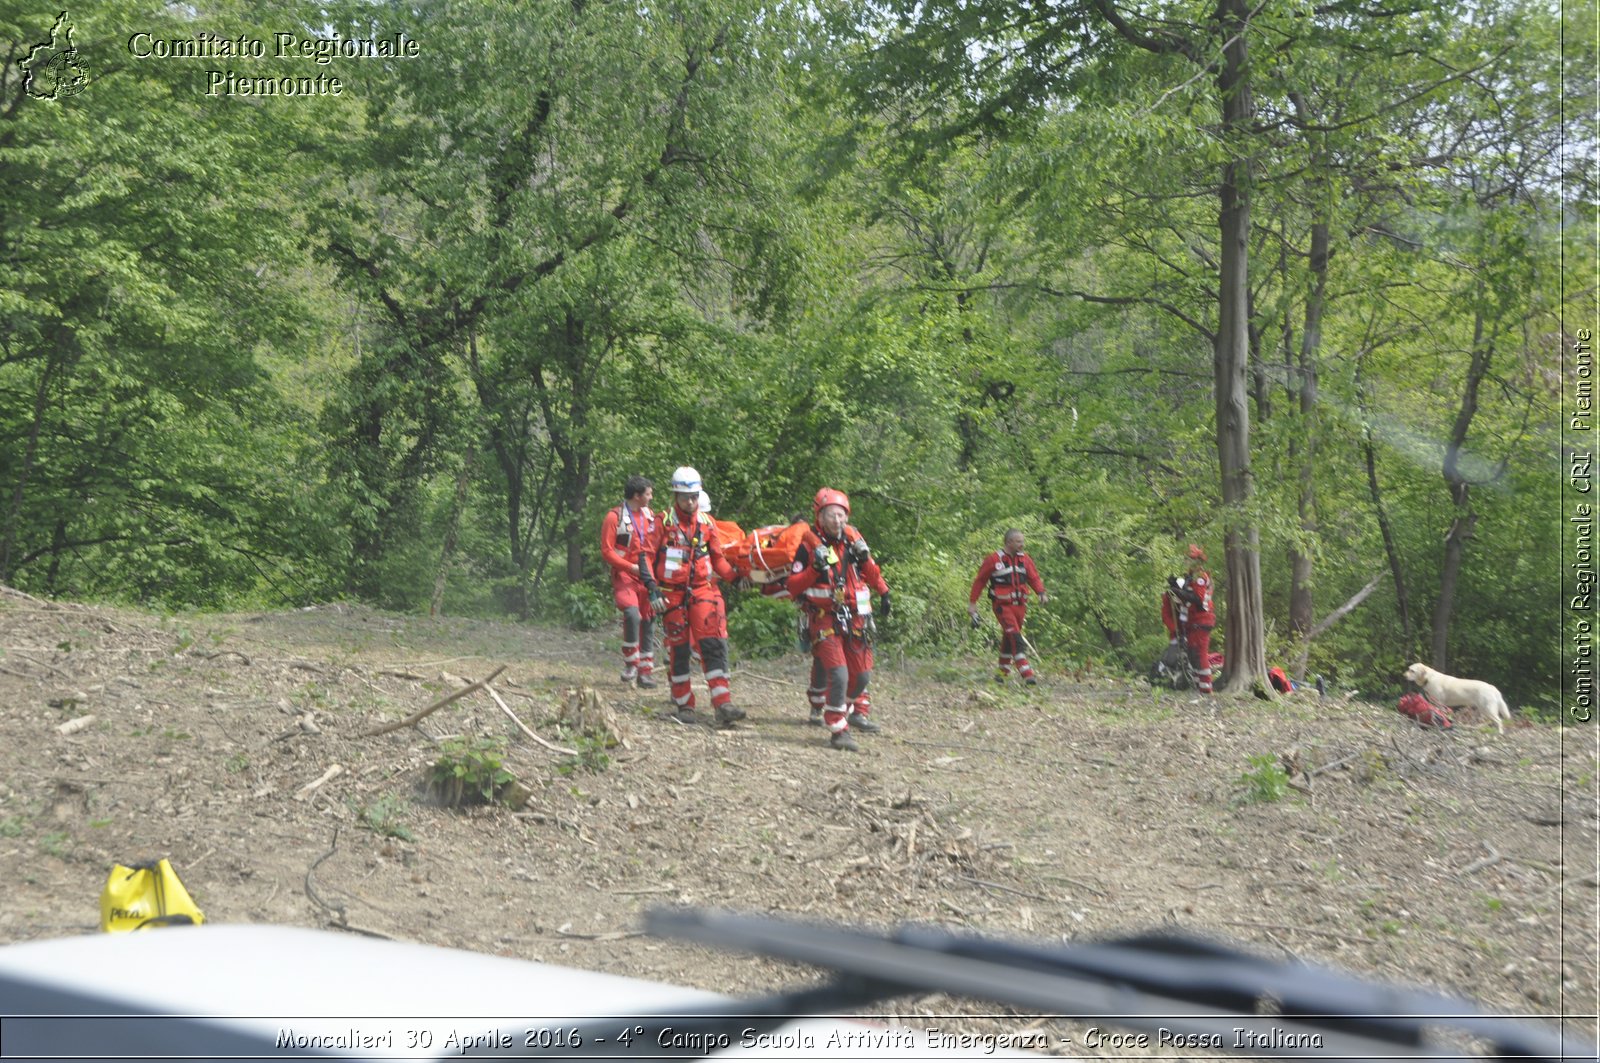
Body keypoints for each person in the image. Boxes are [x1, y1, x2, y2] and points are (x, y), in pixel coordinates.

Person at [638, 467, 745, 728]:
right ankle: (684, 702)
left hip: (702, 591)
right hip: (671, 595)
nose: (691, 502)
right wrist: (652, 590)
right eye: (686, 497)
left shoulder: (707, 524)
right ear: (676, 495)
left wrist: (735, 577)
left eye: (695, 496)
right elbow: (646, 556)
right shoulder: (663, 522)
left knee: (713, 645)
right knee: (679, 649)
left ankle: (723, 703)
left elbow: (718, 559)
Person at [787, 489, 891, 752]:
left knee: (862, 676)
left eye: (841, 515)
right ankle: (837, 727)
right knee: (839, 674)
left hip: (856, 618)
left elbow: (872, 572)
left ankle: (845, 711)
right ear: (819, 517)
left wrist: (885, 592)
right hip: (824, 619)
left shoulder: (854, 544)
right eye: (832, 515)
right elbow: (792, 587)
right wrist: (814, 569)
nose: (837, 520)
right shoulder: (807, 548)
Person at [599, 475, 658, 688]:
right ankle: (631, 663)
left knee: (649, 619)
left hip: (647, 576)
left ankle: (646, 672)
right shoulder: (614, 517)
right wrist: (629, 567)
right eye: (649, 494)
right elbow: (607, 551)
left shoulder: (651, 516)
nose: (651, 498)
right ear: (637, 495)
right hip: (625, 575)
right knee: (633, 614)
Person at [968, 529, 1048, 685]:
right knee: (1016, 639)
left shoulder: (1025, 559)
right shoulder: (993, 559)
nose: (1022, 544)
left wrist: (1041, 592)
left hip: (1020, 606)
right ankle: (1027, 674)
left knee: (1009, 637)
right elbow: (980, 581)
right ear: (1009, 542)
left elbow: (1034, 577)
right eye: (1018, 541)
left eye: (1022, 541)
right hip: (1002, 607)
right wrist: (972, 603)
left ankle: (1001, 674)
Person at [1162, 544, 1216, 694]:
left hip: (1202, 620)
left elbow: (1197, 598)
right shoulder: (1191, 576)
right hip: (1194, 622)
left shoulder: (1200, 576)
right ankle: (1200, 687)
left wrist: (1178, 592)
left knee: (1199, 654)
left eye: (1188, 559)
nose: (1185, 561)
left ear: (1195, 560)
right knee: (1193, 655)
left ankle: (1206, 689)